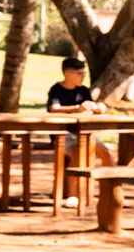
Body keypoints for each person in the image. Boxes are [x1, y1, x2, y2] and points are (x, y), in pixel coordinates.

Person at [47, 57, 112, 207]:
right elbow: (54, 109)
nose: (83, 76)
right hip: (62, 135)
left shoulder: (83, 91)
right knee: (77, 153)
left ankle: (109, 190)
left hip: (84, 134)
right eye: (79, 73)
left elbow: (90, 107)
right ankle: (72, 195)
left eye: (84, 73)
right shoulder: (56, 90)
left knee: (106, 153)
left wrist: (98, 108)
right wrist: (77, 108)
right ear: (68, 74)